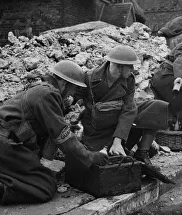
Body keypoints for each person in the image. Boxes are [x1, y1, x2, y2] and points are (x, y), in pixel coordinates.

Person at [0, 60, 108, 205]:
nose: (71, 94)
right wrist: (91, 157)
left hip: (7, 142)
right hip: (6, 144)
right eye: (73, 89)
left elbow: (53, 131)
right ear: (65, 84)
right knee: (46, 186)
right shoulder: (47, 94)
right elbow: (63, 138)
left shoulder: (42, 90)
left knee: (30, 175)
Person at [76, 45, 169, 167]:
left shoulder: (129, 79)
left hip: (118, 120)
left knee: (158, 107)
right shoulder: (89, 77)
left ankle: (142, 152)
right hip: (97, 127)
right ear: (118, 66)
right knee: (103, 158)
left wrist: (118, 140)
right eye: (129, 66)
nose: (133, 69)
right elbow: (74, 100)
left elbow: (129, 108)